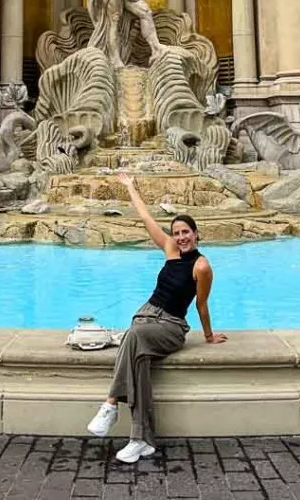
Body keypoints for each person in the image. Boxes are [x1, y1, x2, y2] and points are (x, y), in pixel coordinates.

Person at [87, 171, 227, 463]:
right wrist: (130, 187)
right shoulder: (169, 251)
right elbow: (145, 217)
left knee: (133, 337)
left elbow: (201, 304)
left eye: (185, 232)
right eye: (176, 233)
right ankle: (141, 440)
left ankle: (111, 404)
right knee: (138, 361)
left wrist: (209, 336)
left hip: (171, 326)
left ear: (196, 233)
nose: (180, 237)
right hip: (146, 317)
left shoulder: (201, 266)